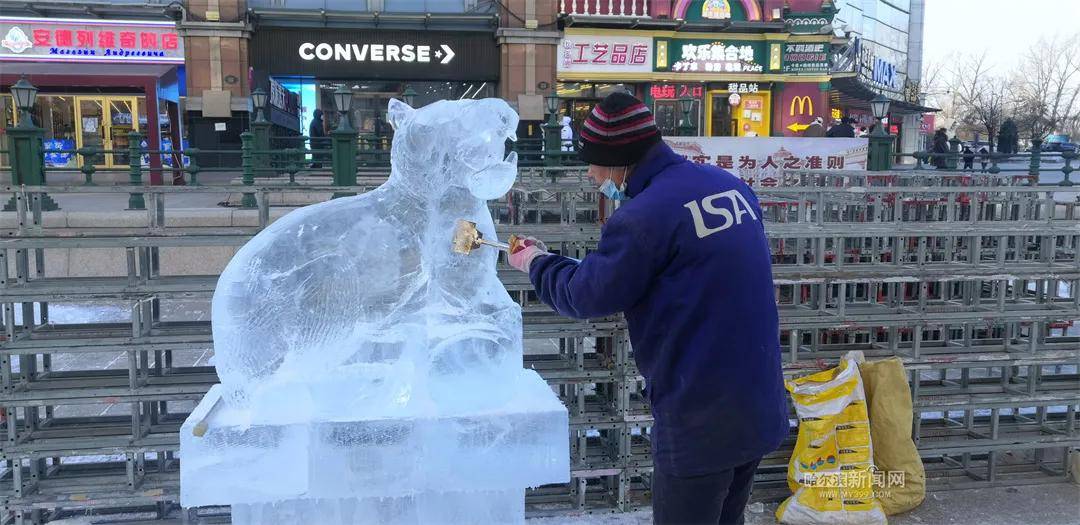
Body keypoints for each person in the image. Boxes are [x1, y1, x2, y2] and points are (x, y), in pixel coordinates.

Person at [507, 92, 788, 525]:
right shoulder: (729, 186)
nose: (591, 174)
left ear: (620, 160)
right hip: (755, 398)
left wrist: (536, 263)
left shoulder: (643, 216)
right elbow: (675, 269)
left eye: (595, 163)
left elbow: (587, 295)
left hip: (700, 412)